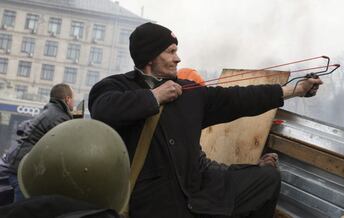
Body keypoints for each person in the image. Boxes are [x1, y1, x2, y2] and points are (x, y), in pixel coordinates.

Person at [88, 22, 322, 218]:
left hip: (199, 192)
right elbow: (103, 110)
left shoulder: (188, 91)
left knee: (266, 179)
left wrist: (294, 90)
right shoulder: (115, 86)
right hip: (151, 204)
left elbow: (238, 99)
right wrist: (154, 97)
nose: (178, 58)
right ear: (150, 56)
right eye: (170, 51)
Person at [0, 83, 74, 202]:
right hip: (19, 168)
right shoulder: (59, 117)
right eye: (73, 99)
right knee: (22, 207)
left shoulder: (50, 110)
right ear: (68, 99)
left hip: (13, 162)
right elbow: (63, 148)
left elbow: (22, 127)